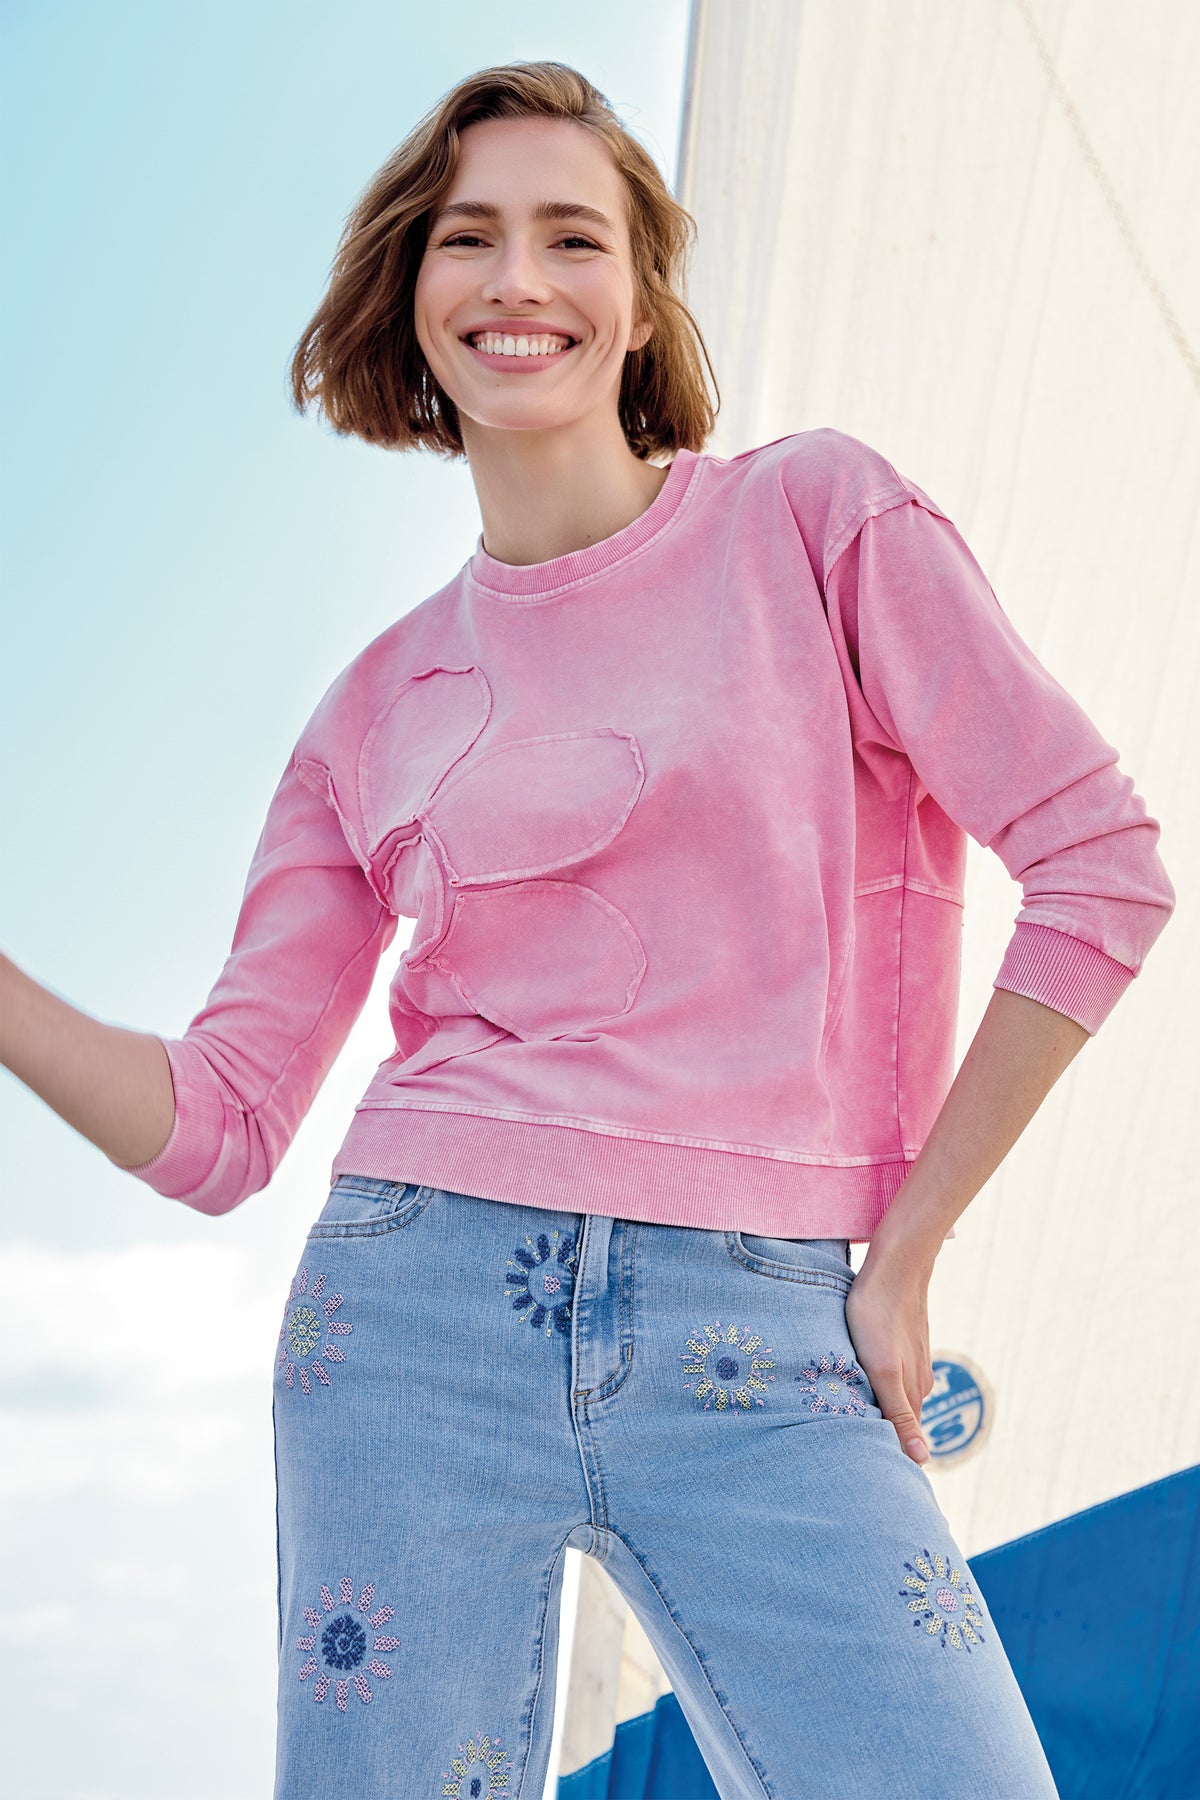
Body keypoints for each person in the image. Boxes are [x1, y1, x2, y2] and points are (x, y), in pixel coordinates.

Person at [0, 59, 1175, 1800]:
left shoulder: (817, 523)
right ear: (412, 292)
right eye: (468, 237)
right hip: (410, 1332)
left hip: (772, 1332)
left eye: (573, 236)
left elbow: (1101, 867)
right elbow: (222, 1124)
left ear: (639, 298)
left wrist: (909, 1252)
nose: (519, 278)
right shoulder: (372, 705)